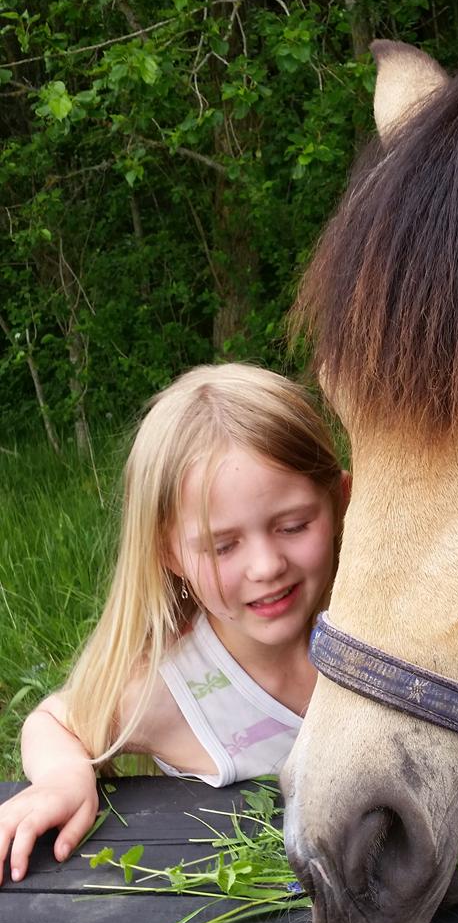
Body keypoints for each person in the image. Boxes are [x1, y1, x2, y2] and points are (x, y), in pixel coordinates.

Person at [0, 363, 347, 885]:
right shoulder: (173, 691)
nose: (266, 565)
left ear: (341, 500)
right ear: (170, 554)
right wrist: (63, 777)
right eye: (222, 545)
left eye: (294, 525)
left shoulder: (381, 628)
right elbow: (56, 721)